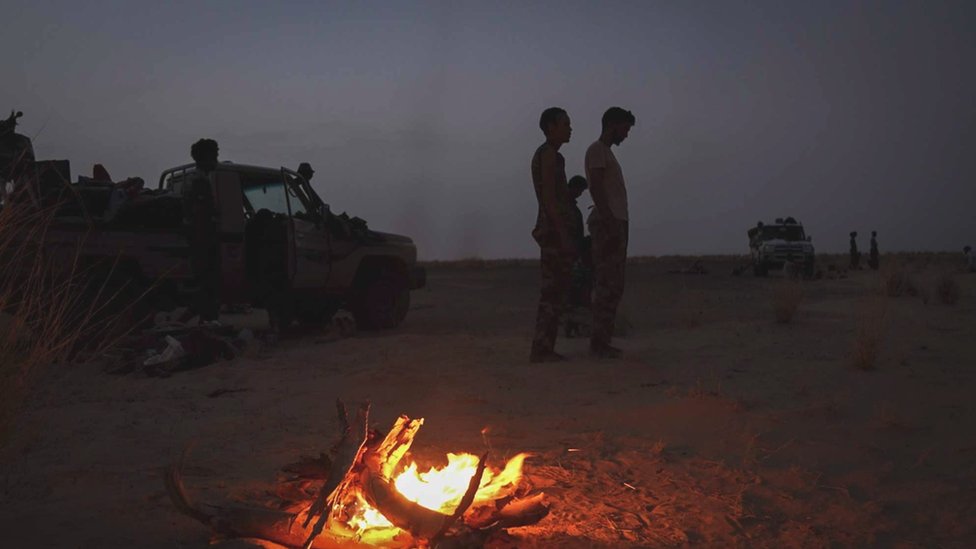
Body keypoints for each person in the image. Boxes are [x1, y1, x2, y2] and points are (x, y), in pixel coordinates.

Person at [586, 107, 635, 359]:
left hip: (615, 222)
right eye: (625, 128)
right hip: (609, 223)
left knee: (614, 284)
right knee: (607, 282)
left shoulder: (607, 154)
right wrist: (609, 222)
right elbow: (595, 187)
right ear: (613, 125)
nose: (626, 134)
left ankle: (602, 340)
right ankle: (599, 344)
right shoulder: (597, 150)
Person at [529, 107, 575, 363]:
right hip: (553, 232)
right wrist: (562, 233)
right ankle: (542, 349)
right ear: (550, 127)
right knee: (552, 292)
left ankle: (545, 347)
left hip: (554, 230)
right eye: (565, 124)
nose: (570, 128)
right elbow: (549, 198)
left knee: (556, 291)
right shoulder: (548, 155)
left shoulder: (553, 156)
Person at [183, 138, 221, 323]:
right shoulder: (199, 181)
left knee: (204, 285)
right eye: (214, 155)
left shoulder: (196, 179)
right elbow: (200, 216)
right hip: (202, 242)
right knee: (207, 284)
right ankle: (207, 321)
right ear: (205, 157)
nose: (216, 159)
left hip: (199, 241)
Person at [565, 175, 592, 336]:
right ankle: (570, 325)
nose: (580, 194)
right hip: (568, 255)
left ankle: (572, 326)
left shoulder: (570, 207)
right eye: (580, 190)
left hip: (573, 254)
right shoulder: (566, 207)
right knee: (572, 293)